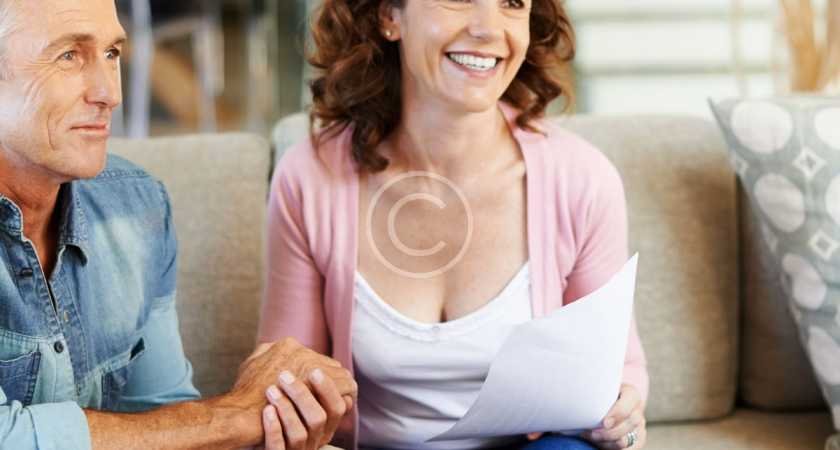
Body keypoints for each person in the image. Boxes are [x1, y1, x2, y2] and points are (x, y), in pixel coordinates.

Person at [258, 0, 648, 449]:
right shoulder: (309, 177)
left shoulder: (582, 178)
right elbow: (284, 372)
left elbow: (620, 371)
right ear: (389, 16)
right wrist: (287, 408)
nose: (489, 29)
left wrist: (621, 416)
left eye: (513, 3)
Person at [0, 1, 355, 449]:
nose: (110, 93)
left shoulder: (137, 207)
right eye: (69, 55)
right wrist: (232, 416)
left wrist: (273, 413)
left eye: (111, 53)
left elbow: (165, 421)